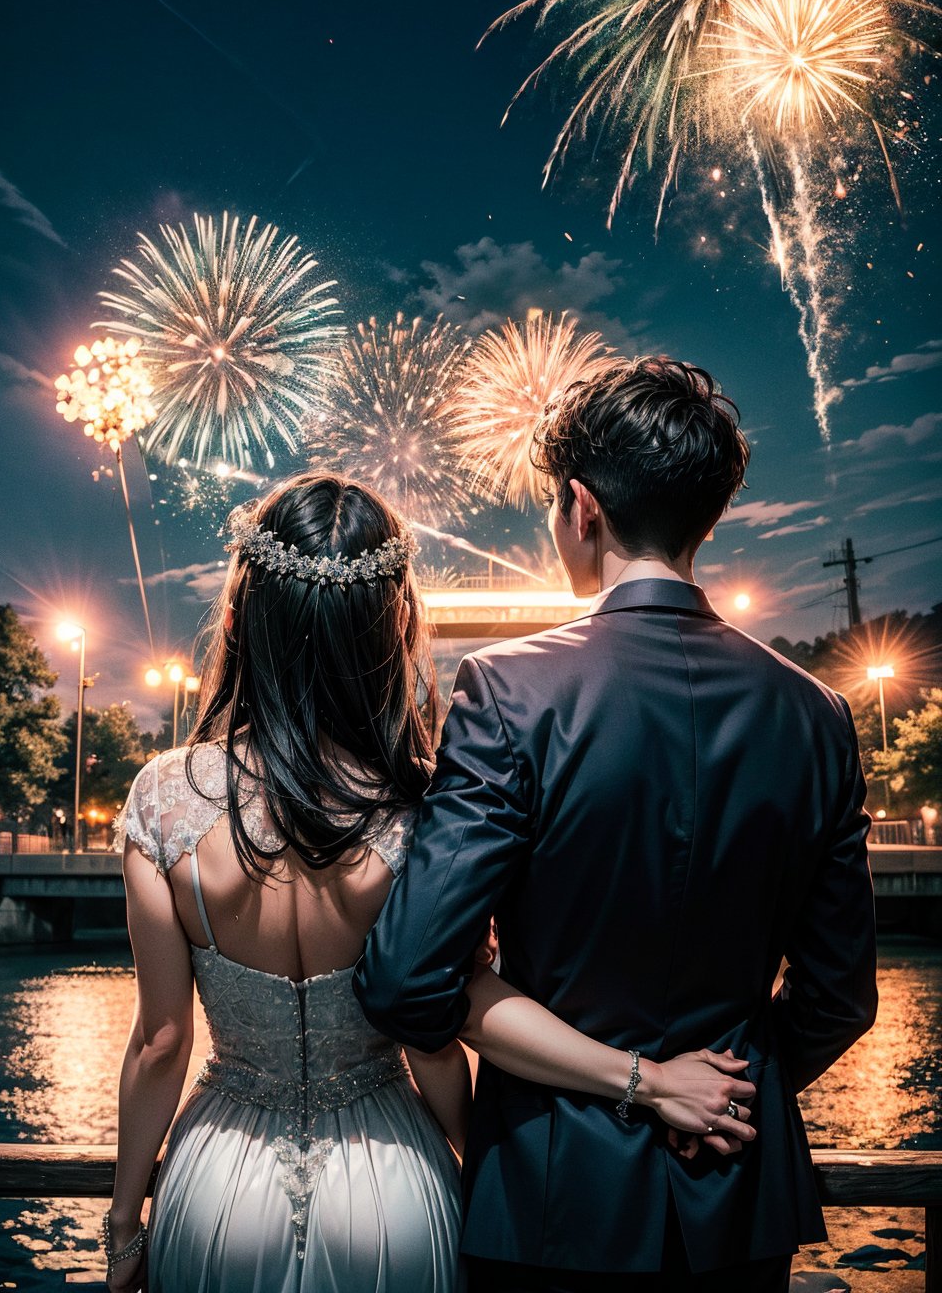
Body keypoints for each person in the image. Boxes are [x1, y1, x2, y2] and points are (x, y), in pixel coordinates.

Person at [104, 472, 756, 1293]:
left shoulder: (165, 799)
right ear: (394, 630)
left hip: (217, 1183)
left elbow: (161, 1044)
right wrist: (474, 1158)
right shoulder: (424, 799)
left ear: (240, 624)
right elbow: (433, 1036)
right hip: (389, 1184)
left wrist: (127, 1226)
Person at [356, 358, 878, 1292]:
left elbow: (404, 981)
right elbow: (841, 998)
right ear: (707, 516)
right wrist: (720, 1100)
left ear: (580, 507)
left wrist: (638, 1086)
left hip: (550, 1199)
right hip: (735, 1202)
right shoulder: (819, 714)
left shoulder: (508, 690)